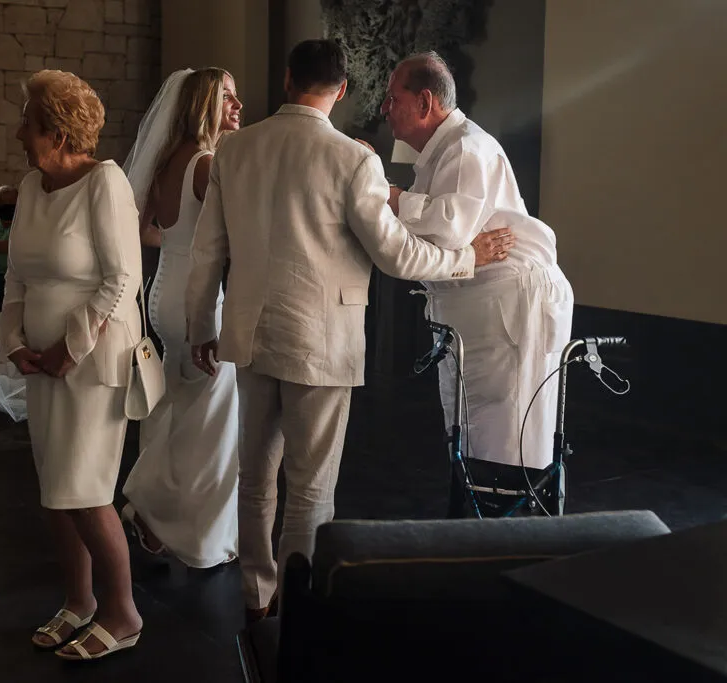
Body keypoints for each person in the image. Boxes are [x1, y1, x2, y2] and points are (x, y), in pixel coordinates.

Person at [185, 39, 515, 623]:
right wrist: (468, 257)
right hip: (321, 340)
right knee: (311, 486)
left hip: (248, 332)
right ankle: (297, 604)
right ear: (340, 91)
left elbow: (207, 250)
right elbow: (396, 255)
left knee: (254, 477)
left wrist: (198, 325)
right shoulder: (354, 160)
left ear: (288, 79)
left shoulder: (234, 149)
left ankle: (256, 595)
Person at [0, 69, 143, 660]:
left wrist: (69, 347)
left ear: (57, 133)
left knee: (85, 489)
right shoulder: (32, 187)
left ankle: (123, 613)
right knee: (55, 488)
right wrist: (14, 341)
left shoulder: (105, 182)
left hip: (93, 364)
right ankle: (79, 601)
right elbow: (15, 276)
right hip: (42, 365)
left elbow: (122, 278)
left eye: (27, 124)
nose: (18, 134)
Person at [381, 52, 574, 472]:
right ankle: (486, 508)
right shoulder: (443, 151)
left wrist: (395, 199)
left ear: (425, 102)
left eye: (393, 98)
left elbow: (447, 231)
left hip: (507, 307)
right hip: (480, 311)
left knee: (505, 439)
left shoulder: (466, 147)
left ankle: (505, 513)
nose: (385, 109)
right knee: (471, 433)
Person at [119, 67, 243, 568]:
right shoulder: (206, 164)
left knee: (179, 407)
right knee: (214, 423)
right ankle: (173, 521)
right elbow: (233, 233)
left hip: (164, 295)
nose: (237, 106)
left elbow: (144, 229)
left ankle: (156, 511)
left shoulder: (169, 160)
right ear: (203, 105)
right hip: (198, 301)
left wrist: (177, 242)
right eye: (227, 97)